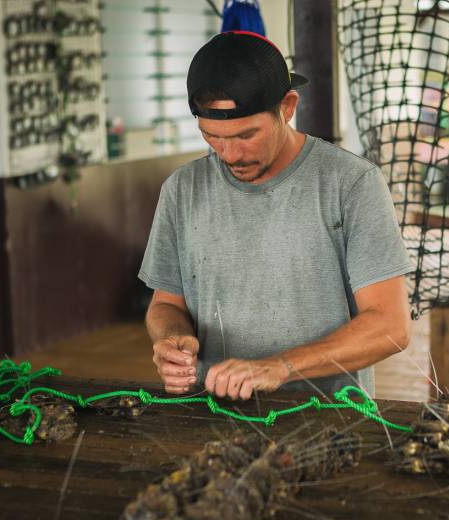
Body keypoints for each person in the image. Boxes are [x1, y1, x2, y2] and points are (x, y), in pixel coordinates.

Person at [138, 31, 413, 401]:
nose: (229, 154)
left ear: (287, 107)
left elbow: (390, 327)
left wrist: (280, 366)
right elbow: (167, 304)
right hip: (211, 413)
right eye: (212, 137)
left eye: (246, 135)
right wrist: (172, 339)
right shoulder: (182, 189)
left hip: (329, 420)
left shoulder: (350, 184)